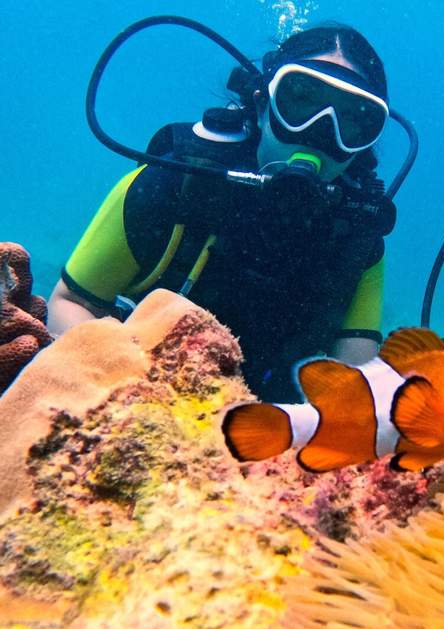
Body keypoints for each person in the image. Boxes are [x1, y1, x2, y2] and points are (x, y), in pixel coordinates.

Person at [48, 23, 396, 400]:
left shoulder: (358, 239)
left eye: (353, 120)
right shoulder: (169, 185)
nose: (319, 132)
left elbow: (352, 386)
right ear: (263, 103)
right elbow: (70, 302)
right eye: (301, 99)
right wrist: (135, 398)